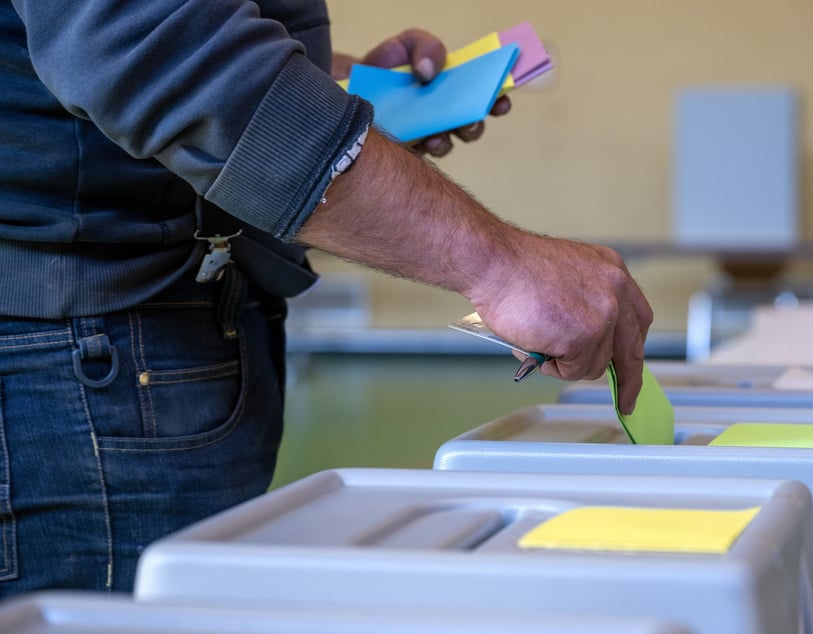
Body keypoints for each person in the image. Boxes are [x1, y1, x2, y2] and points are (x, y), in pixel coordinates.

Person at [0, 0, 653, 596]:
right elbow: (152, 41)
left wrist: (329, 81)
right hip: (80, 359)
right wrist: (502, 265)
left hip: (139, 334)